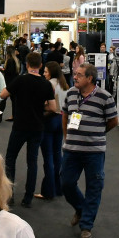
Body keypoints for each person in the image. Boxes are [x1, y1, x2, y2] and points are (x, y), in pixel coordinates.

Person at [60, 64, 118, 238]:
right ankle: (81, 208)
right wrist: (66, 136)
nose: (75, 77)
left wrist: (97, 134)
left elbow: (113, 121)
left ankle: (86, 225)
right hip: (72, 149)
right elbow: (64, 114)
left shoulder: (104, 97)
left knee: (94, 187)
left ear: (90, 79)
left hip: (94, 151)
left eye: (79, 75)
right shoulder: (70, 94)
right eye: (75, 74)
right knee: (66, 183)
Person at [0, 52, 55, 208]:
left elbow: (3, 94)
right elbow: (53, 107)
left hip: (20, 126)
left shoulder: (21, 80)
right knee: (32, 162)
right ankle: (28, 197)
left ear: (27, 64)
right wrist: (40, 107)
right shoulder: (46, 84)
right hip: (37, 127)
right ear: (41, 65)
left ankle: (9, 195)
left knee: (11, 158)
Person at [35, 61, 66, 201]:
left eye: (46, 71)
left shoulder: (49, 85)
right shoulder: (65, 84)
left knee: (48, 157)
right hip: (61, 120)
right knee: (57, 154)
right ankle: (58, 187)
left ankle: (48, 191)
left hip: (49, 121)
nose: (43, 73)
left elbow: (48, 105)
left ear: (51, 72)